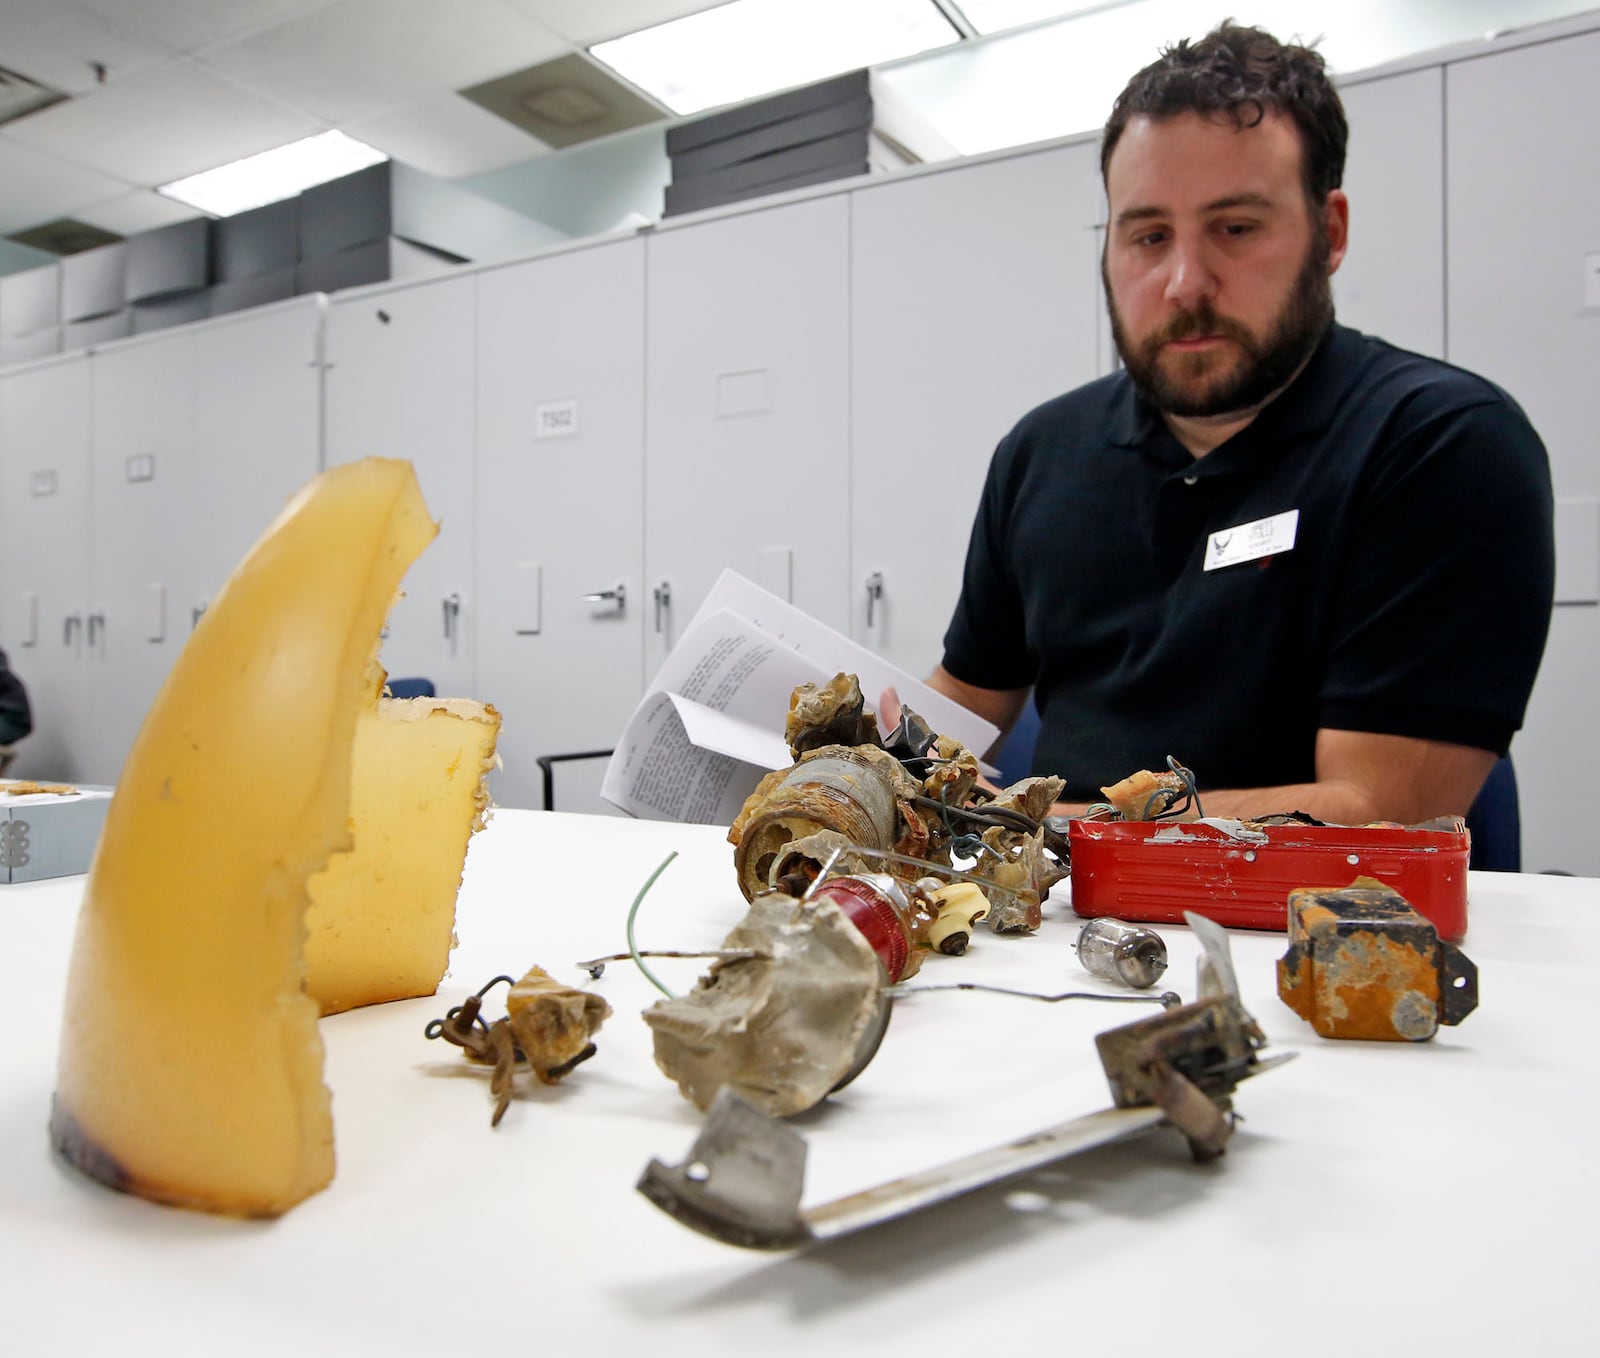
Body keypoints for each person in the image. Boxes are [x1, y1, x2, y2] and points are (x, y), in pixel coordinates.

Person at [928, 21, 1554, 825]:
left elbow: (1380, 814)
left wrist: (1042, 828)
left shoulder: (1442, 445)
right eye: (1149, 236)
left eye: (1235, 228)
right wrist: (866, 761)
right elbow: (963, 705)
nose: (1185, 282)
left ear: (1328, 234)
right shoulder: (1041, 452)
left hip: (1313, 937)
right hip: (1042, 935)